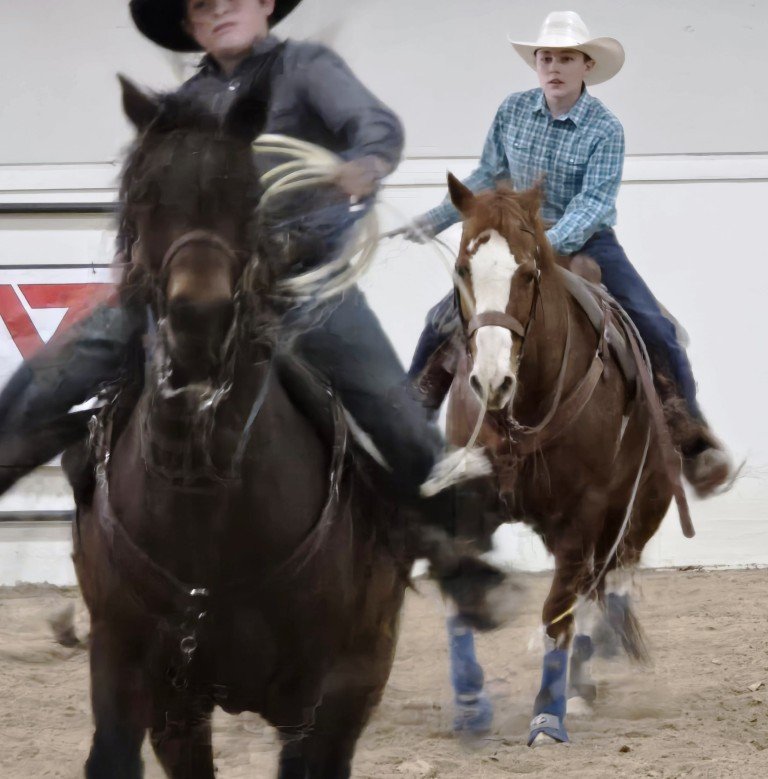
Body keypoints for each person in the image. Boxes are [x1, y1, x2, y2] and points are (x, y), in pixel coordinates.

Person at [0, 0, 451, 508]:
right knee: (53, 373)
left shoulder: (305, 68)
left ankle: (456, 542)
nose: (219, 11)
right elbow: (149, 193)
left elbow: (374, 126)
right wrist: (132, 256)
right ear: (189, 24)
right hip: (203, 282)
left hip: (304, 285)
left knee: (390, 408)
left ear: (265, 5)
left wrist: (364, 164)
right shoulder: (185, 104)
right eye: (201, 6)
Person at [403, 10, 731, 497]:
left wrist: (542, 247)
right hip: (514, 239)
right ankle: (406, 430)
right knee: (443, 319)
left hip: (584, 238)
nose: (554, 67)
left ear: (586, 66)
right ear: (536, 64)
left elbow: (594, 203)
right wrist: (433, 219)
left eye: (566, 58)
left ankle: (692, 439)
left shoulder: (605, 128)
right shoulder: (512, 111)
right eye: (546, 58)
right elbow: (487, 174)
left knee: (653, 325)